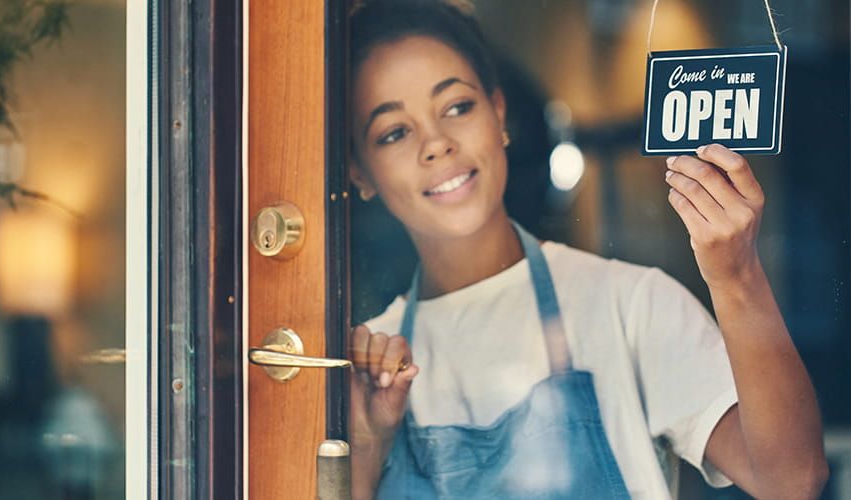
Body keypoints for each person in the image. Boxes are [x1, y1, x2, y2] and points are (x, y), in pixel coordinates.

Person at [345, 1, 829, 499]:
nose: (436, 143)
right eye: (394, 133)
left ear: (499, 112)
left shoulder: (629, 304)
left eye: (457, 107)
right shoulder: (365, 370)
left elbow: (792, 481)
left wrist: (737, 274)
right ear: (359, 172)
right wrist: (364, 442)